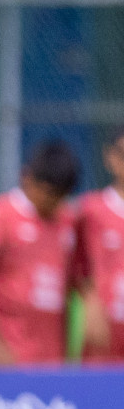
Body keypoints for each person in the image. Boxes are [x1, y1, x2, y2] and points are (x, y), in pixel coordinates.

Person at [0, 140, 79, 364]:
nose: (52, 202)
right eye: (48, 193)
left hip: (49, 356)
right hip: (3, 354)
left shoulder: (68, 223)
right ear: (27, 178)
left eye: (60, 196)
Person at [72, 129, 124, 361]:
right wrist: (90, 299)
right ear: (110, 157)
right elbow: (74, 265)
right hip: (104, 332)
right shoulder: (89, 211)